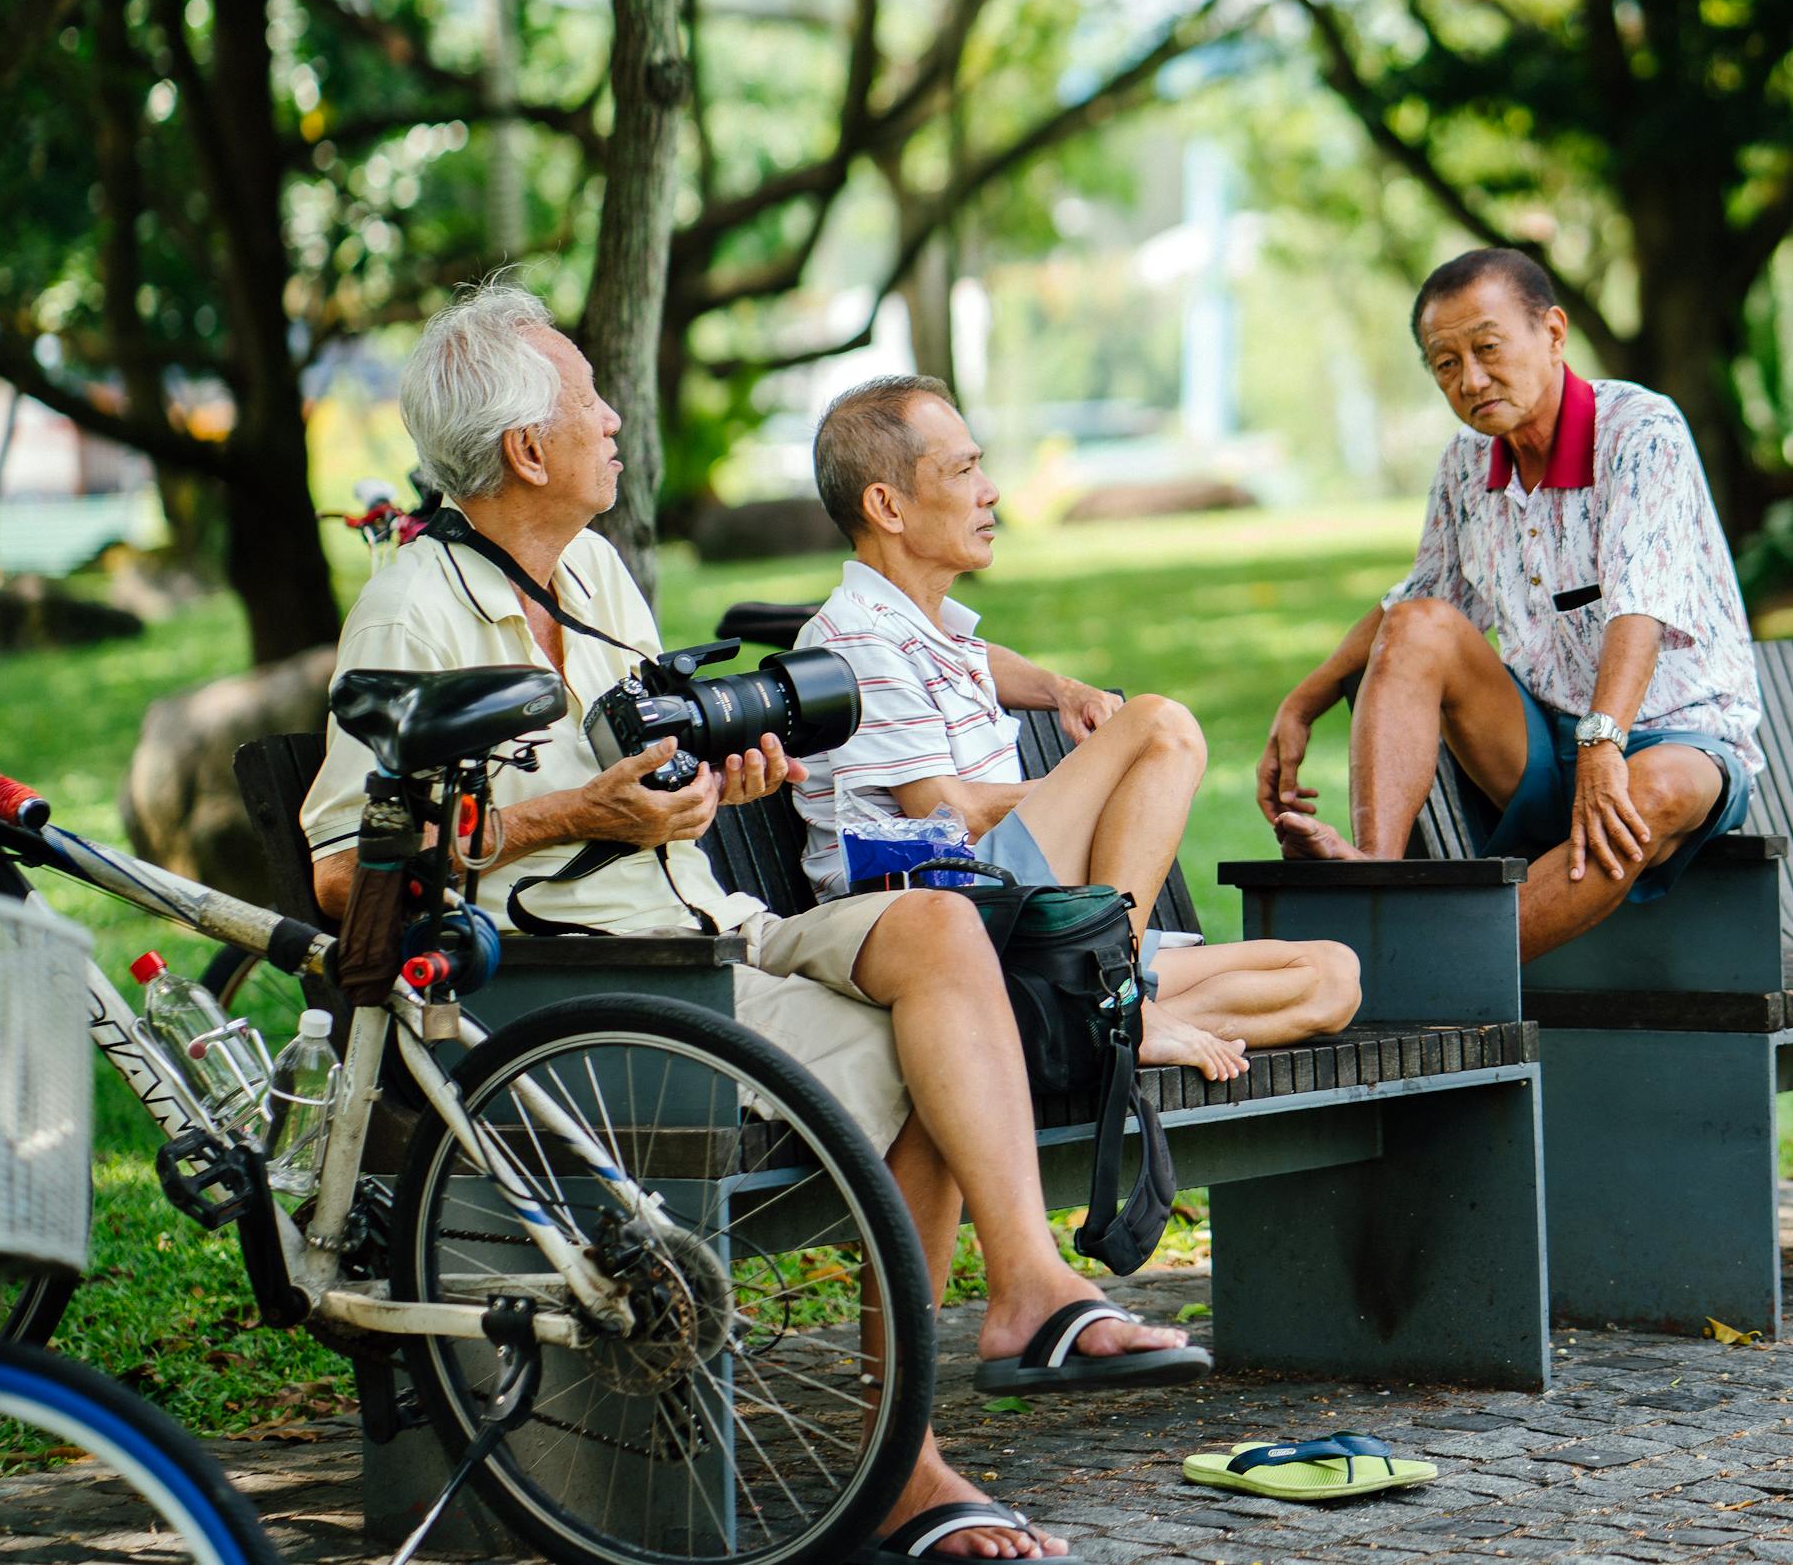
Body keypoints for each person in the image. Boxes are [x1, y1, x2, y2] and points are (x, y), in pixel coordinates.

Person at [299, 283, 1198, 1562]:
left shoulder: (595, 570)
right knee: (928, 1055)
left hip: (714, 925)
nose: (616, 418)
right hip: (578, 990)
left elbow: (647, 776)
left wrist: (714, 786)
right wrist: (576, 819)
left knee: (938, 936)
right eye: (589, 400)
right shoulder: (413, 610)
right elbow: (347, 877)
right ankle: (911, 1466)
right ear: (526, 450)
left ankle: (1028, 1290)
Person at [791, 375, 1361, 1080]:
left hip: (1023, 922)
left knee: (1330, 977)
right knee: (1160, 729)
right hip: (947, 915)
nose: (990, 489)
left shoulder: (923, 631)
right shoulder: (856, 642)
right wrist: (1101, 788)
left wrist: (1058, 688)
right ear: (887, 506)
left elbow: (977, 659)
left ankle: (1073, 1024)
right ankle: (1114, 997)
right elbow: (948, 815)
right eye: (964, 469)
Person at [1257, 248, 1764, 961]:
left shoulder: (1640, 430)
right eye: (1445, 363)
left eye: (1487, 348)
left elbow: (1640, 606)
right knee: (1418, 624)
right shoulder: (1465, 463)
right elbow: (1418, 601)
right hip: (1533, 748)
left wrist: (1602, 742)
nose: (1470, 378)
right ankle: (1375, 881)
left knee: (1648, 792)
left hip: (1675, 740)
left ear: (1553, 333)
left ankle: (1433, 961)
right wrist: (1304, 699)